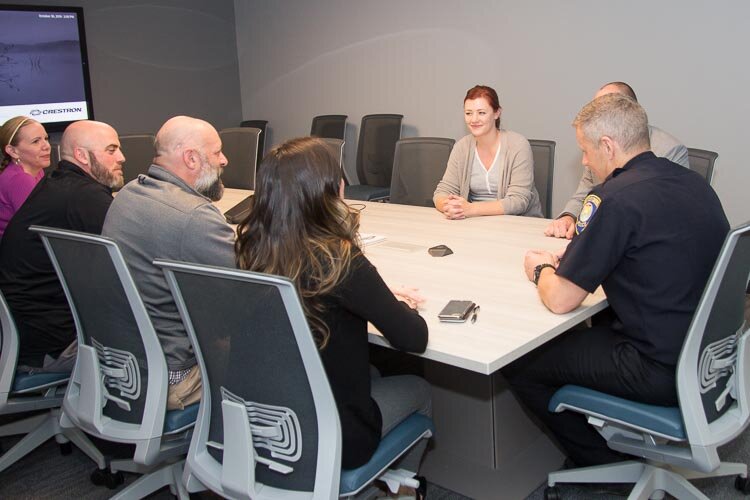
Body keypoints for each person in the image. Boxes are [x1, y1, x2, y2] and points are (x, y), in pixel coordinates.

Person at [504, 93, 729, 467]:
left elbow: (561, 298)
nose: (586, 162)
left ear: (608, 146)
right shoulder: (694, 184)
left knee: (521, 363)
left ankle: (600, 462)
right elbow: (656, 249)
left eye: (587, 152)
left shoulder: (614, 197)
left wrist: (539, 269)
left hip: (657, 366)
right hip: (712, 355)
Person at [235, 137, 432, 475]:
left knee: (371, 368)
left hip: (261, 424)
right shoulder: (336, 258)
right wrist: (395, 304)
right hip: (333, 436)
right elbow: (413, 338)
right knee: (420, 388)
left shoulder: (251, 249)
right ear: (329, 191)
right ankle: (396, 492)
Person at [102, 116, 235, 411]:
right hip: (174, 374)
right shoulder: (195, 215)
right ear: (191, 158)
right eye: (217, 153)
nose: (224, 160)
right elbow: (240, 305)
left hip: (127, 362)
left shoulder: (127, 195)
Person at [0, 120, 125, 372]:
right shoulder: (84, 197)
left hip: (25, 333)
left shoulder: (56, 183)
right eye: (111, 150)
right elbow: (129, 260)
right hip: (51, 344)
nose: (122, 157)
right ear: (82, 155)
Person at [546, 81, 690, 239]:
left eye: (605, 108)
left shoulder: (669, 150)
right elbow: (585, 193)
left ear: (627, 110)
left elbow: (665, 215)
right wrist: (568, 216)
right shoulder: (596, 147)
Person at [433, 85, 543, 219]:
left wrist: (470, 209)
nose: (473, 119)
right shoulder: (462, 147)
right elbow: (442, 191)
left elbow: (518, 201)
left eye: (481, 113)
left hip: (517, 224)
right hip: (474, 223)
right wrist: (450, 206)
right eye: (468, 113)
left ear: (497, 113)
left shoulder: (518, 145)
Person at [0, 116, 51, 238]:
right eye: (36, 141)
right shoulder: (20, 179)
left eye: (46, 138)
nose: (46, 146)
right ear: (12, 151)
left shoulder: (37, 171)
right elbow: (40, 227)